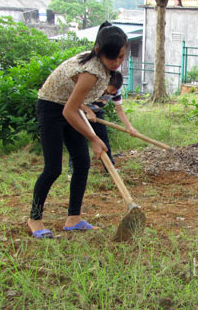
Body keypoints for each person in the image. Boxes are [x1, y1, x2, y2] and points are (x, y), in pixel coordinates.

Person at [27, 21, 128, 238]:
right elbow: (68, 111)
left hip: (69, 107)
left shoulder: (101, 65)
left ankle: (73, 218)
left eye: (121, 56)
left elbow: (74, 101)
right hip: (52, 108)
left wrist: (85, 112)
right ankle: (34, 219)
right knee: (53, 168)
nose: (117, 63)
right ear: (98, 51)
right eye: (113, 58)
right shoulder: (91, 71)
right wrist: (93, 137)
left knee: (82, 162)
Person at [68, 71, 139, 174]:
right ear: (106, 84)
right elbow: (75, 100)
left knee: (103, 140)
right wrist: (88, 111)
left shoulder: (116, 92)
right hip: (79, 112)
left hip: (96, 113)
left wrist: (129, 127)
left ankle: (110, 169)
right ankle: (72, 170)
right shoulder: (94, 86)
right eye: (112, 89)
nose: (113, 92)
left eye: (115, 90)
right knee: (78, 141)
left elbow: (119, 110)